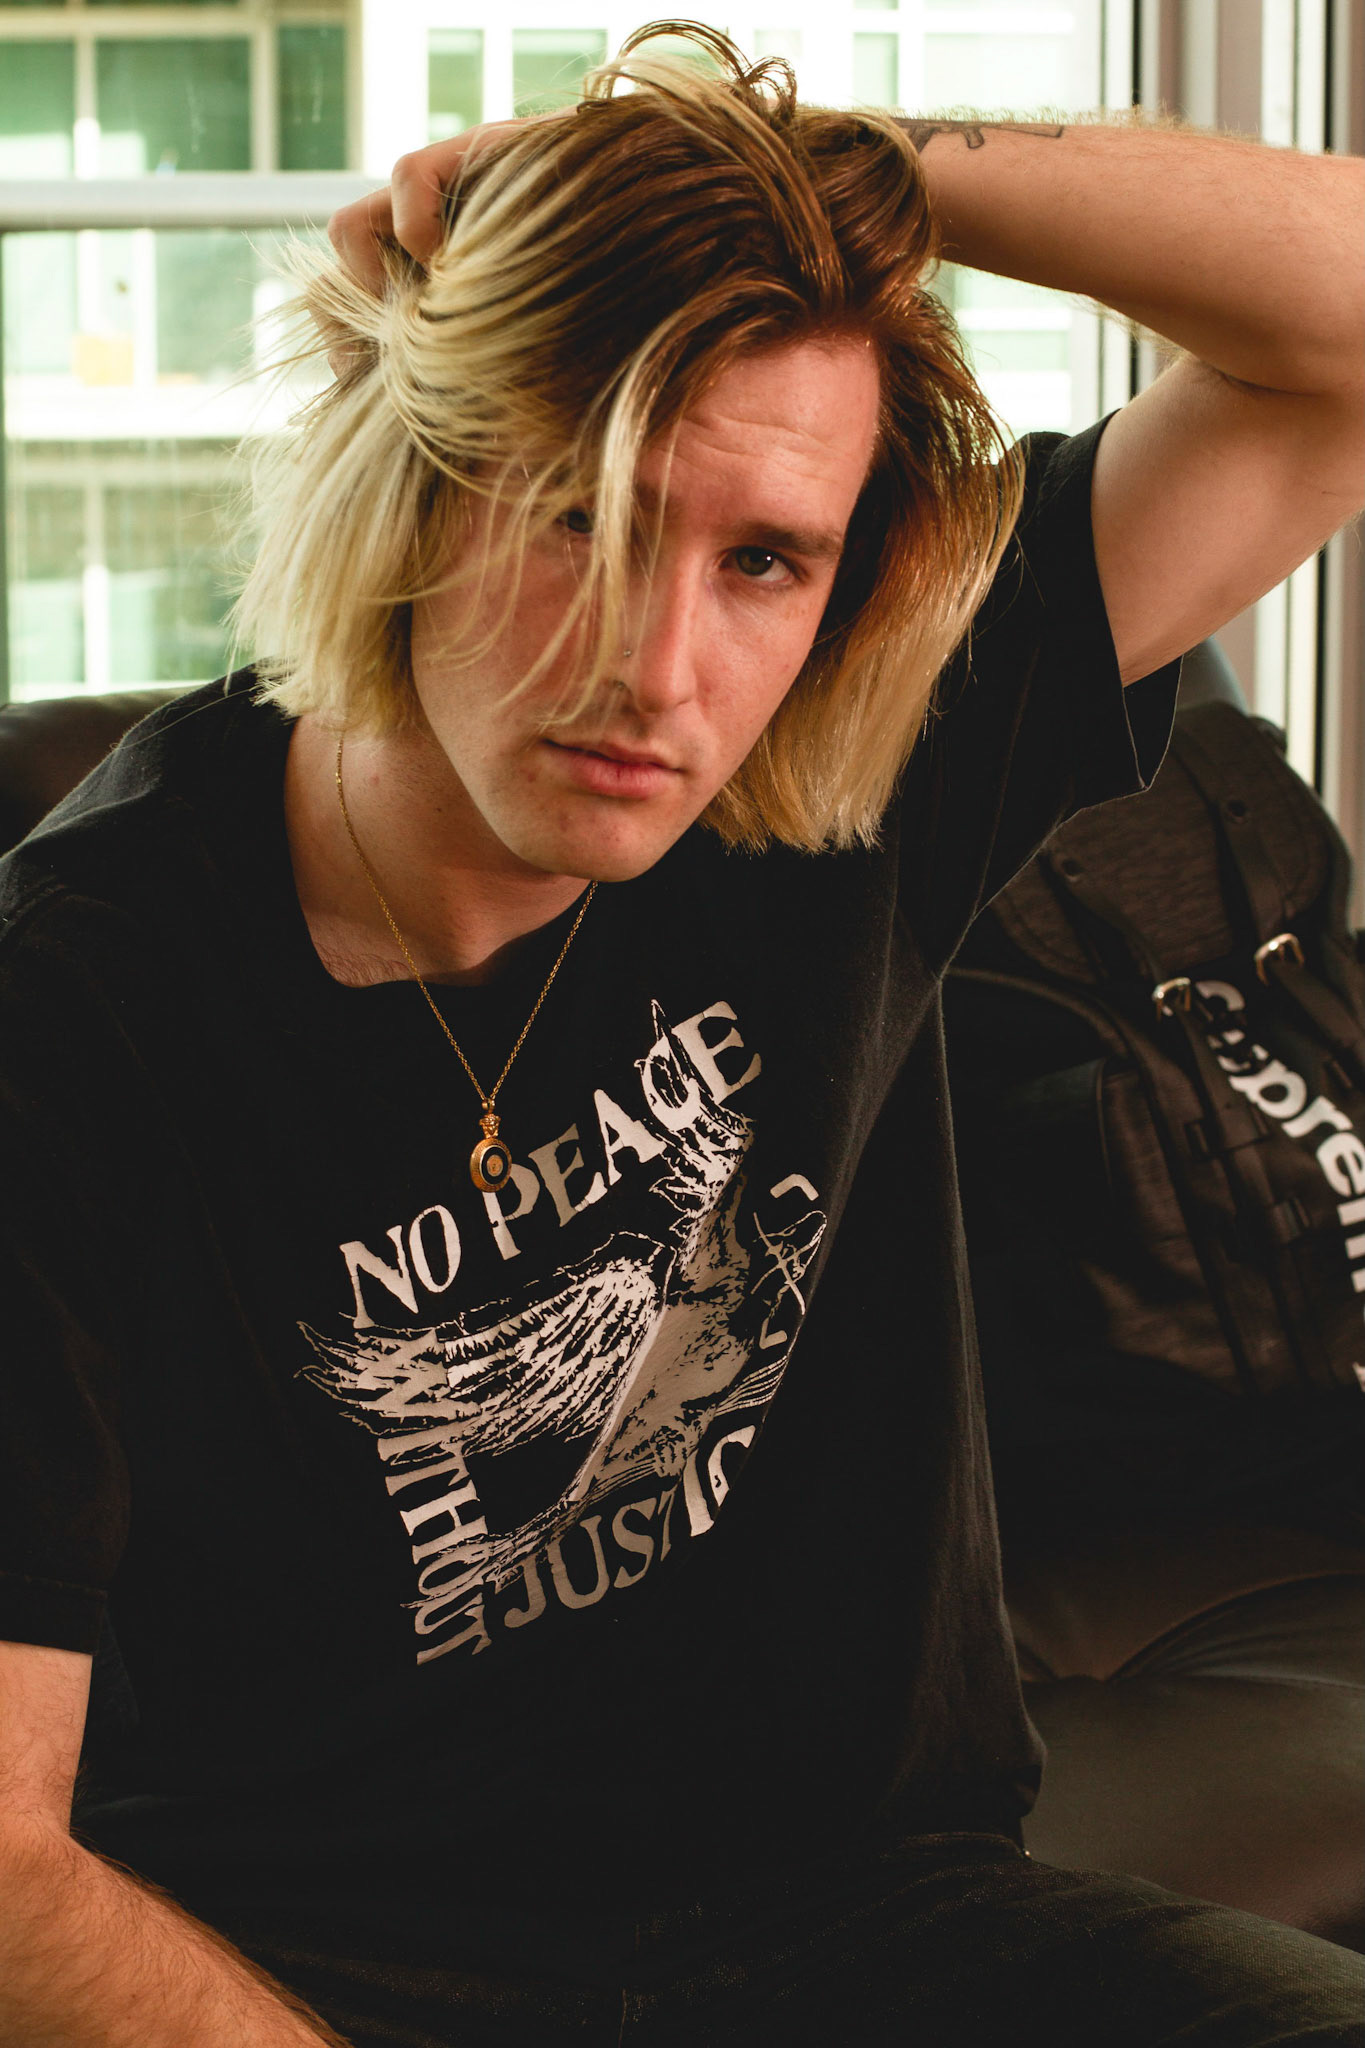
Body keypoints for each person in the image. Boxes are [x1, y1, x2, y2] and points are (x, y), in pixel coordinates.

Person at [1, 24, 1362, 2047]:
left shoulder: (839, 757)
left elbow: (1338, 335)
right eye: (579, 517)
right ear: (411, 488)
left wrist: (813, 165)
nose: (659, 670)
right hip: (312, 1981)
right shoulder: (71, 1013)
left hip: (864, 1921)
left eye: (760, 561)